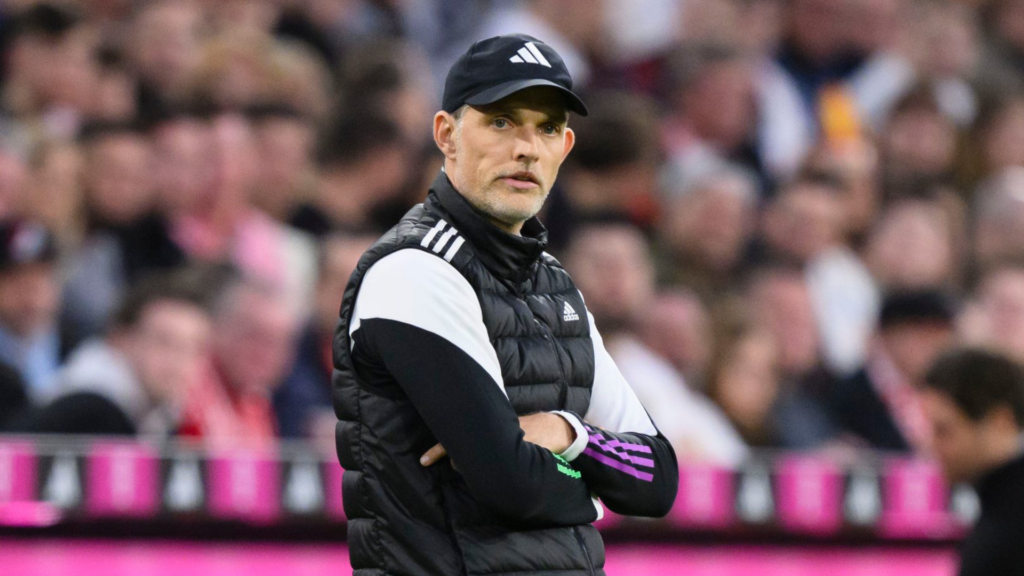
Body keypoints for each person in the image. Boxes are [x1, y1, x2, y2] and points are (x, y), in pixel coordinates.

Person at [334, 34, 678, 576]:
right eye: (501, 122)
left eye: (545, 128)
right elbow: (511, 484)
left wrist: (567, 433)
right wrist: (593, 495)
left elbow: (658, 481)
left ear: (564, 149)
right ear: (446, 135)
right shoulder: (414, 272)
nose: (526, 148)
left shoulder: (556, 285)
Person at [8, 271, 211, 437]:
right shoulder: (90, 409)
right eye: (164, 342)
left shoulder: (162, 414)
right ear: (120, 339)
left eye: (192, 348)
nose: (178, 361)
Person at [922, 348, 1024, 576]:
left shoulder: (1007, 531)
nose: (932, 446)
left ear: (1001, 422)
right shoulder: (999, 511)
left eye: (944, 431)